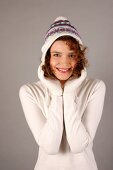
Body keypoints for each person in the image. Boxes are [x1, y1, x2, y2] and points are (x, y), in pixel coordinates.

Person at [19, 16, 106, 170]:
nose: (64, 63)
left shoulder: (95, 87)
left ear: (79, 58)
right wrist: (56, 93)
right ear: (47, 57)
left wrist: (69, 93)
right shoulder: (29, 91)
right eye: (57, 54)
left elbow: (78, 145)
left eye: (71, 55)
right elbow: (50, 147)